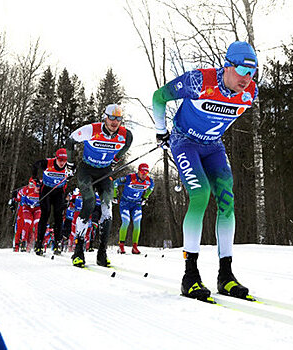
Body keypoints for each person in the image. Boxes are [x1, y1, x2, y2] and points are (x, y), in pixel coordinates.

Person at [152, 41, 258, 301]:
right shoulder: (198, 81)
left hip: (213, 147)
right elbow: (159, 97)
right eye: (243, 70)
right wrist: (160, 131)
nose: (247, 78)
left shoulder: (249, 93)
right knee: (200, 194)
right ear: (227, 66)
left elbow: (220, 117)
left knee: (227, 201)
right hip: (184, 141)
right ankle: (190, 276)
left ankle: (226, 276)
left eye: (252, 71)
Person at [65, 103, 133, 268]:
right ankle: (78, 251)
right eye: (111, 118)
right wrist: (70, 163)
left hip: (105, 173)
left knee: (107, 210)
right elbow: (71, 140)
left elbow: (128, 143)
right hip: (86, 170)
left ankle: (101, 253)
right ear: (105, 117)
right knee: (88, 203)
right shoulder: (91, 130)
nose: (114, 122)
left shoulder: (125, 135)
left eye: (118, 119)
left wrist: (115, 160)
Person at [31, 148, 70, 256]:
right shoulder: (47, 163)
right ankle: (39, 244)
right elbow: (35, 165)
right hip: (46, 191)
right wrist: (35, 179)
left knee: (58, 216)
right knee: (45, 214)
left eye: (64, 160)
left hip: (59, 192)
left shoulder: (69, 166)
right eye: (60, 160)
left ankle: (57, 244)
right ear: (56, 158)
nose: (62, 163)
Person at [113, 163, 154, 254]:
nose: (144, 175)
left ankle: (135, 247)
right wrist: (115, 196)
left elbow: (151, 188)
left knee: (137, 223)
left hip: (137, 204)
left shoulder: (149, 181)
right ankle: (121, 247)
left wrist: (145, 198)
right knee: (126, 221)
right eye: (142, 172)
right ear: (138, 171)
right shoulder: (130, 178)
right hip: (125, 203)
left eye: (146, 173)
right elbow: (115, 183)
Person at [12, 178, 42, 252]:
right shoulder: (25, 190)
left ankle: (32, 244)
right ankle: (17, 244)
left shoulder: (41, 190)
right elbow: (18, 197)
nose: (31, 186)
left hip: (35, 210)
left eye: (33, 184)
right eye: (30, 184)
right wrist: (14, 199)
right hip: (23, 210)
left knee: (33, 227)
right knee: (21, 227)